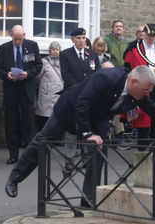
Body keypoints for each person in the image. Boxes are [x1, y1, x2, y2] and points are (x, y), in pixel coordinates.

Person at [4, 65, 155, 207]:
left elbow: (154, 110)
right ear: (133, 81)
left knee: (100, 149)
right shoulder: (106, 78)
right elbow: (82, 103)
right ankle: (15, 178)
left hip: (97, 116)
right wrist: (88, 134)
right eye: (145, 90)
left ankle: (88, 198)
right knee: (42, 141)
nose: (146, 94)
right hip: (70, 109)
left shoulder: (138, 93)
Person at [0, 25, 42, 164]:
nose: (18, 42)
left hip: (26, 89)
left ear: (24, 36)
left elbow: (38, 66)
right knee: (11, 123)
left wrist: (28, 73)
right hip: (11, 90)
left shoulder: (32, 46)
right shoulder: (3, 48)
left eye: (20, 39)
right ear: (11, 36)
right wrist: (7, 75)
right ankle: (13, 155)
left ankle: (30, 156)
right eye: (15, 39)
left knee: (29, 123)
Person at [124, 23, 155, 150]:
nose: (151, 38)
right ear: (143, 35)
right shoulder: (133, 50)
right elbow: (126, 70)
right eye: (149, 35)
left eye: (153, 36)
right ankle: (141, 151)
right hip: (141, 90)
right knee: (143, 122)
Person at [59, 27, 100, 174]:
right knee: (71, 129)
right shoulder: (65, 55)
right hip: (72, 96)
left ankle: (87, 159)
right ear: (72, 39)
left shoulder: (92, 54)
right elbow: (66, 74)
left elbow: (97, 74)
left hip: (89, 98)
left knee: (87, 128)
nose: (81, 41)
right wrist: (80, 89)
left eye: (83, 38)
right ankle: (69, 161)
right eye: (78, 38)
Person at [105, 20, 129, 148]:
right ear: (113, 29)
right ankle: (118, 135)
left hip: (124, 75)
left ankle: (124, 133)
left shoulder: (125, 42)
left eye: (121, 26)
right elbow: (106, 57)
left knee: (123, 105)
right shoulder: (108, 41)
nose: (119, 28)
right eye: (116, 26)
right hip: (112, 75)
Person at [35, 41, 63, 130]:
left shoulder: (62, 62)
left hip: (59, 95)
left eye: (57, 49)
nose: (55, 51)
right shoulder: (44, 62)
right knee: (45, 118)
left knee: (56, 118)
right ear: (50, 51)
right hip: (46, 95)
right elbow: (37, 77)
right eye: (53, 49)